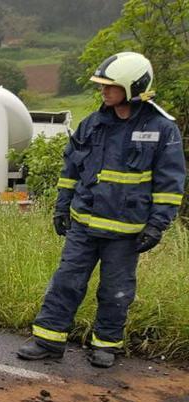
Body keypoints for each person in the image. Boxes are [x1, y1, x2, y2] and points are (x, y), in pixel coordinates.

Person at [17, 52, 186, 368]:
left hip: (126, 234)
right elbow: (71, 169)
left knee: (116, 292)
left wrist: (157, 226)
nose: (103, 92)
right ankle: (48, 341)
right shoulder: (92, 124)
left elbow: (170, 184)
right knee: (66, 282)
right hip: (83, 227)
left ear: (134, 87)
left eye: (110, 86)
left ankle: (105, 345)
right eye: (103, 86)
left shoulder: (162, 130)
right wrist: (61, 208)